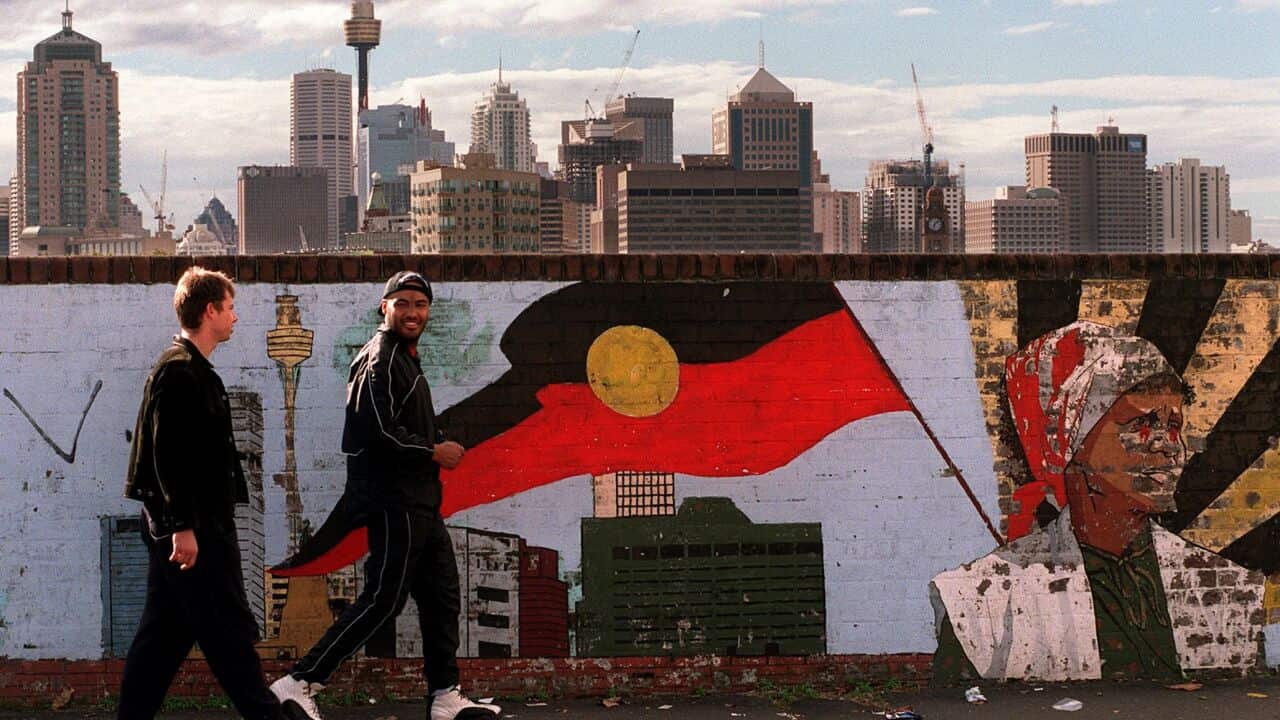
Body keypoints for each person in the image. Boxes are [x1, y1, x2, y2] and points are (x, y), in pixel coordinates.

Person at [930, 321, 1265, 681]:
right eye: (1141, 423)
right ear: (1070, 442)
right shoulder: (983, 602)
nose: (1169, 446)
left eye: (1173, 426)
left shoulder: (1228, 589)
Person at [271, 271, 500, 720]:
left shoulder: (404, 358)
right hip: (396, 501)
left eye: (420, 304)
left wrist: (433, 441)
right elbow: (374, 434)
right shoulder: (379, 359)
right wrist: (433, 450)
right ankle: (299, 682)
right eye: (403, 303)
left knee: (442, 595)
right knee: (383, 600)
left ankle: (445, 696)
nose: (413, 312)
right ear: (385, 307)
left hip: (420, 501)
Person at [119, 267, 299, 720]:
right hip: (195, 531)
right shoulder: (180, 374)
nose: (235, 317)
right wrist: (182, 527)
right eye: (230, 308)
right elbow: (169, 457)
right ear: (209, 310)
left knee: (162, 641)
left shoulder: (191, 370)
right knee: (228, 635)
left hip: (195, 527)